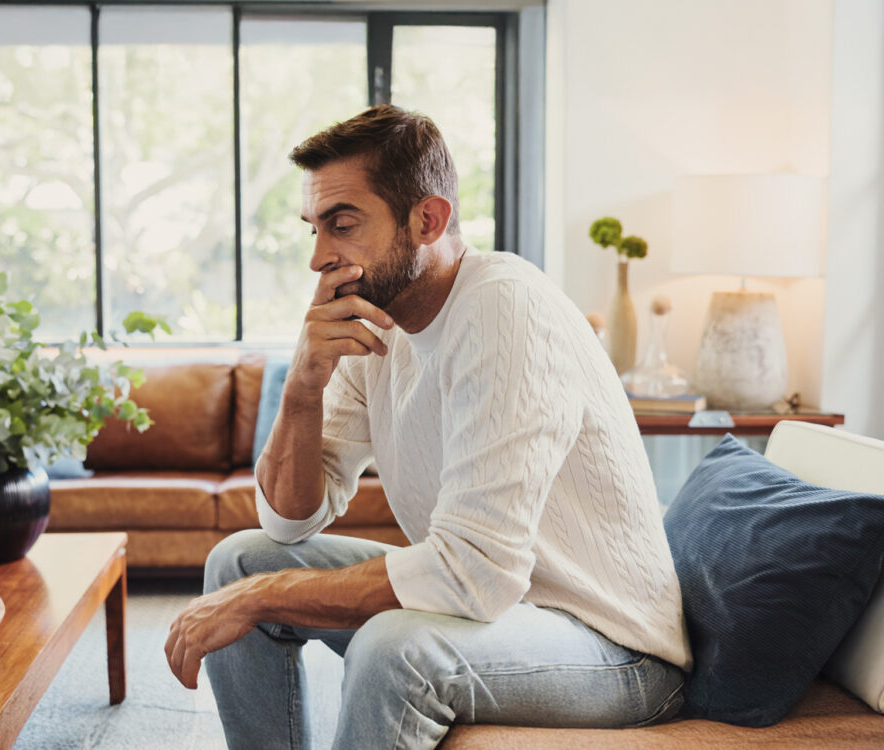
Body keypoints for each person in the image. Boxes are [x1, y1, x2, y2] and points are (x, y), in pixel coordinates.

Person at [165, 105, 691, 750]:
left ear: (428, 219)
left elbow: (474, 574)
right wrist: (303, 387)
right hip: (504, 612)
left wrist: (262, 600)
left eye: (344, 225)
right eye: (316, 230)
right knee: (240, 562)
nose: (320, 257)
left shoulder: (504, 307)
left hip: (615, 651)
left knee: (395, 649)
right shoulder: (380, 326)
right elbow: (290, 522)